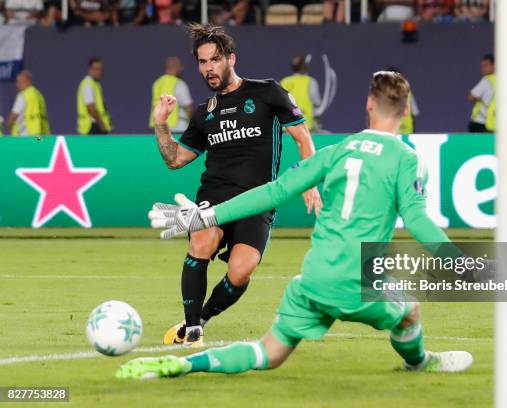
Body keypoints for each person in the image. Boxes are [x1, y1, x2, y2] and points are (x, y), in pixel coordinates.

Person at [116, 71, 475, 380]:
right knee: (409, 310)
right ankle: (423, 363)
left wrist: (205, 216)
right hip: (360, 280)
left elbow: (273, 192)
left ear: (368, 104)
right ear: (406, 109)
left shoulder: (337, 151)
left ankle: (183, 366)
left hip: (313, 279)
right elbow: (417, 219)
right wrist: (462, 264)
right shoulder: (408, 160)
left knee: (268, 353)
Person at [152, 24, 321, 347]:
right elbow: (175, 159)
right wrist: (161, 124)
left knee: (242, 271)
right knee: (201, 242)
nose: (208, 68)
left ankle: (200, 318)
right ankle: (193, 333)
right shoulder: (204, 113)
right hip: (214, 198)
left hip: (258, 200)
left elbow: (303, 137)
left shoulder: (268, 92)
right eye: (202, 62)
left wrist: (309, 181)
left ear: (231, 58)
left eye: (215, 60)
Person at [149, 57, 193, 133]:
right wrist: (193, 126)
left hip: (160, 129)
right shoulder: (179, 84)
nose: (182, 69)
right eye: (180, 66)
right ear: (175, 66)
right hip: (179, 128)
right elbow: (188, 108)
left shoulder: (157, 83)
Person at [280, 55, 321, 131]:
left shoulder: (284, 81)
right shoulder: (310, 81)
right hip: (305, 125)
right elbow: (317, 102)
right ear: (304, 66)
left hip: (287, 126)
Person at [6, 70, 50, 137]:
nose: (18, 84)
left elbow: (14, 115)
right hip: (40, 135)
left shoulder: (23, 95)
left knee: (26, 147)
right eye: (17, 82)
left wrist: (8, 125)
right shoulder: (38, 95)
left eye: (20, 82)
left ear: (28, 81)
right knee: (38, 146)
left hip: (26, 135)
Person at [77, 57, 113, 135]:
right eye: (96, 69)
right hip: (92, 127)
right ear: (90, 70)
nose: (100, 72)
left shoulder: (96, 85)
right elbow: (91, 108)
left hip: (96, 126)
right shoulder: (87, 84)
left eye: (101, 69)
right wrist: (102, 126)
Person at [467, 54, 495, 133]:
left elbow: (471, 97)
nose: (483, 69)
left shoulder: (487, 80)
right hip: (495, 124)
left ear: (494, 65)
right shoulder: (505, 80)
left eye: (486, 66)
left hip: (481, 123)